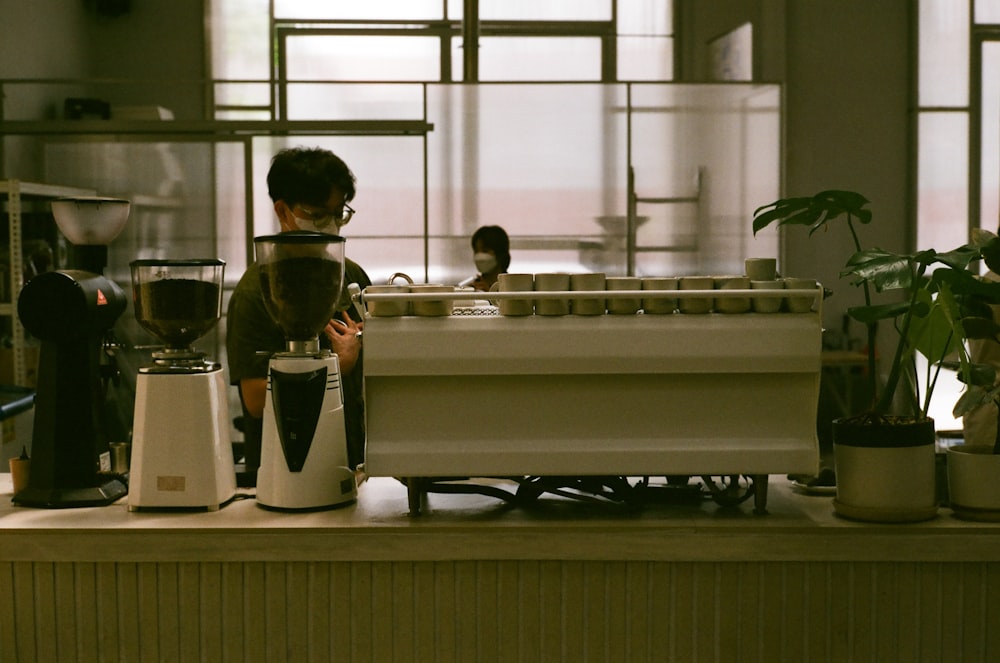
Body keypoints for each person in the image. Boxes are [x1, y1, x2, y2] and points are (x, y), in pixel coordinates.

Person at [226, 147, 371, 482]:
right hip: (287, 469)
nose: (331, 225)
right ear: (282, 210)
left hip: (351, 463)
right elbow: (255, 401)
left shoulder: (350, 277)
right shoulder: (259, 290)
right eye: (318, 215)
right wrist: (335, 365)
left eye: (338, 214)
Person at [464, 225, 511, 291]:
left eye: (485, 250)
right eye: (476, 251)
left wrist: (489, 295)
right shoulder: (471, 287)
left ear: (500, 254)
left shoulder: (512, 286)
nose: (479, 256)